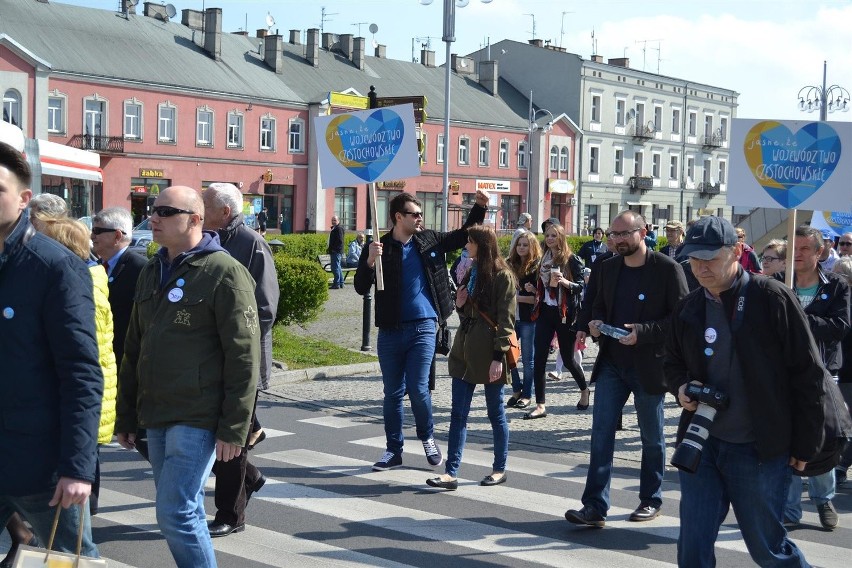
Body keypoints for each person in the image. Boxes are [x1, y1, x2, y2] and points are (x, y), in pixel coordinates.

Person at [665, 215, 826, 567]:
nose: (701, 267)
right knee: (692, 545)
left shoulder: (772, 297)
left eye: (710, 257)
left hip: (758, 448)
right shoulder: (689, 306)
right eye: (694, 258)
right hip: (702, 443)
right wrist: (680, 387)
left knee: (767, 547)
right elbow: (671, 361)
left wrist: (805, 443)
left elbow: (809, 373)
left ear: (737, 251)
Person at [114, 185, 259, 568]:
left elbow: (244, 357)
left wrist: (234, 427)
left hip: (198, 414)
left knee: (174, 511)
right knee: (184, 510)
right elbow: (134, 348)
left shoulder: (224, 272)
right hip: (157, 411)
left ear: (195, 219)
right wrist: (126, 415)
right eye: (151, 209)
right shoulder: (151, 270)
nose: (153, 217)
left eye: (165, 211)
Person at [0, 142, 102, 563]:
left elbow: (81, 371)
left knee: (67, 559)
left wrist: (78, 467)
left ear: (24, 199)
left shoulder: (53, 266)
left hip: (40, 464)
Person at [565, 210, 687, 527]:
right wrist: (588, 325)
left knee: (651, 436)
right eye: (613, 234)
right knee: (601, 434)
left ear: (643, 232)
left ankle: (651, 499)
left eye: (624, 234)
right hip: (611, 364)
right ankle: (594, 507)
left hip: (650, 365)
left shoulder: (667, 269)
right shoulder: (607, 267)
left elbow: (681, 319)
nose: (617, 240)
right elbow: (594, 304)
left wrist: (643, 332)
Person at [355, 190, 489, 472]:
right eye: (414, 214)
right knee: (392, 393)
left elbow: (464, 234)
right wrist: (368, 261)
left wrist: (479, 207)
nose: (420, 217)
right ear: (398, 217)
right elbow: (359, 286)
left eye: (420, 213)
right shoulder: (379, 246)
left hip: (424, 326)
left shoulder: (429, 240)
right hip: (390, 330)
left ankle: (427, 436)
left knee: (418, 388)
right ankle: (393, 450)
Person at [202, 183, 280, 538]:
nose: (199, 212)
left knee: (231, 439)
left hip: (240, 360)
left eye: (204, 206)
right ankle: (251, 478)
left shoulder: (250, 243)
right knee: (222, 434)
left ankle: (231, 515)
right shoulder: (207, 240)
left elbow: (265, 306)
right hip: (211, 358)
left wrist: (235, 342)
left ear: (225, 212)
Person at [426, 225, 516, 490]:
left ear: (482, 244)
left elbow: (506, 321)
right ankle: (450, 472)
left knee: (495, 413)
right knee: (458, 415)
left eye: (470, 241)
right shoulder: (471, 271)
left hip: (489, 354)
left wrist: (499, 357)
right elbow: (466, 314)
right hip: (464, 350)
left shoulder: (503, 276)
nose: (466, 245)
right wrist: (461, 305)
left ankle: (499, 468)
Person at [38, 218, 118, 517]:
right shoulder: (82, 279)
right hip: (82, 395)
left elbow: (83, 356)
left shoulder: (81, 285)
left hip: (84, 396)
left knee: (79, 473)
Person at [778, 225, 850, 530]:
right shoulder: (778, 284)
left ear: (820, 252)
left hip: (823, 372)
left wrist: (801, 320)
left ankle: (823, 498)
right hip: (783, 373)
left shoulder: (836, 286)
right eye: (794, 248)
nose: (797, 254)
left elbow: (840, 326)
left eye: (805, 248)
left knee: (820, 438)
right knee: (787, 438)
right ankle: (791, 509)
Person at [525, 223, 587, 419]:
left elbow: (581, 287)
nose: (549, 238)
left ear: (561, 238)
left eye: (553, 235)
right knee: (539, 359)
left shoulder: (571, 259)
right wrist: (535, 290)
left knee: (568, 359)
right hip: (545, 312)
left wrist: (565, 282)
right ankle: (540, 405)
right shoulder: (543, 258)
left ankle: (584, 390)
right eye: (547, 235)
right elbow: (543, 286)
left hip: (564, 314)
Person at [504, 229, 542, 409]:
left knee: (528, 359)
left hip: (528, 319)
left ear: (532, 247)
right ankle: (516, 388)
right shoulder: (509, 264)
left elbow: (537, 299)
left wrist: (515, 297)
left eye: (525, 245)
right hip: (510, 317)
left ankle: (527, 394)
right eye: (519, 244)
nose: (521, 247)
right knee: (507, 354)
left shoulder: (536, 267)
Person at [832, 256, 852, 486]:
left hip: (848, 373)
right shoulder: (835, 300)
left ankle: (841, 463)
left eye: (839, 274)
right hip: (838, 370)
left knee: (844, 423)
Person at [328, 215, 344, 289]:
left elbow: (340, 241)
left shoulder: (338, 229)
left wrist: (334, 249)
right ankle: (341, 282)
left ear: (338, 221)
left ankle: (336, 283)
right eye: (332, 220)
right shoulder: (334, 228)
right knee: (338, 267)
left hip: (336, 251)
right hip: (335, 251)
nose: (333, 221)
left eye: (335, 220)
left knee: (335, 268)